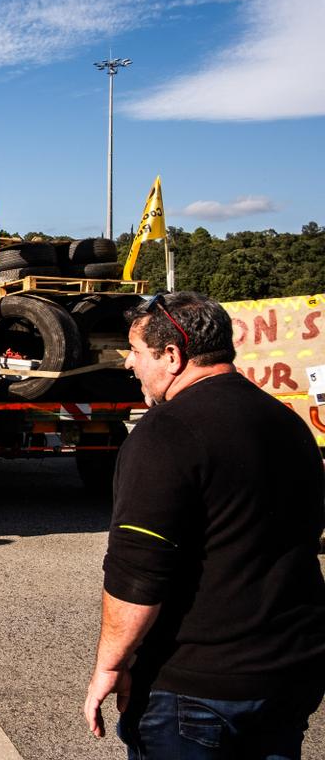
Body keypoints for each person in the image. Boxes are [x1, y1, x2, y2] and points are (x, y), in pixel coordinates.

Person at [83, 291, 325, 758]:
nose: (129, 365)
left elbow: (138, 574)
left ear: (172, 356)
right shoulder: (287, 422)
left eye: (135, 352)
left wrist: (110, 666)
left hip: (198, 687)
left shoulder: (165, 434)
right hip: (291, 671)